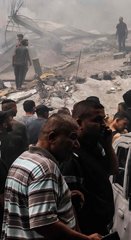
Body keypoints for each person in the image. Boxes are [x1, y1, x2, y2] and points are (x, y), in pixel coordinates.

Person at [2, 114, 102, 240]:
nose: (77, 145)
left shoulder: (23, 158)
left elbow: (28, 200)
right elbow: (44, 224)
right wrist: (85, 239)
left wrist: (61, 196)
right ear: (52, 137)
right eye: (73, 138)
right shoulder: (45, 169)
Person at [60, 100, 118, 236]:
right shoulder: (71, 155)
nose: (103, 125)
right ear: (79, 123)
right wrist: (81, 236)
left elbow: (113, 170)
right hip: (86, 232)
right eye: (98, 120)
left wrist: (108, 145)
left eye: (103, 119)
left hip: (100, 228)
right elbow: (69, 205)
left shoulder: (96, 147)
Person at [0, 110, 25, 221]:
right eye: (10, 120)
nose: (13, 123)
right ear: (4, 125)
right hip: (12, 186)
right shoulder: (16, 139)